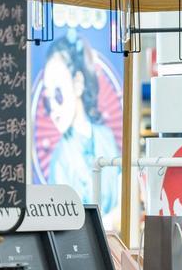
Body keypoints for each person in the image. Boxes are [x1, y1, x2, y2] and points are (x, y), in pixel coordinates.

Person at [38, 33, 120, 218]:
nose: (53, 109)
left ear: (78, 83)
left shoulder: (106, 136)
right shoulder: (60, 159)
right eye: (47, 100)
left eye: (58, 94)